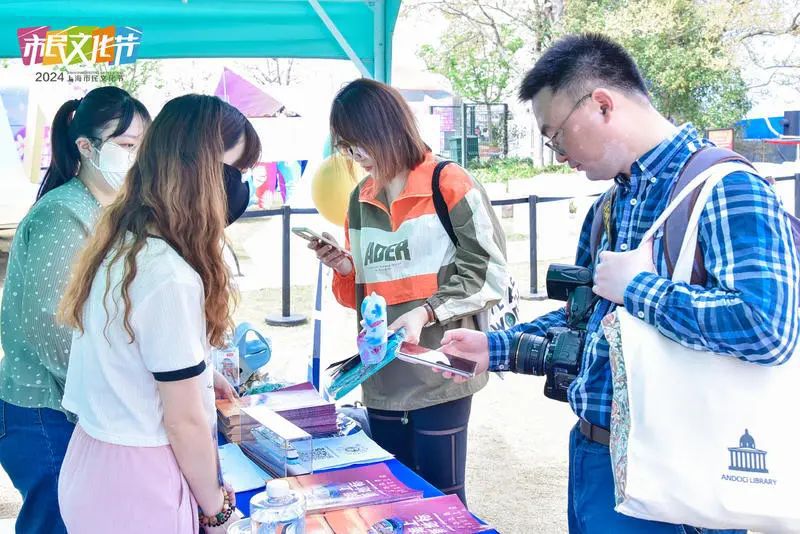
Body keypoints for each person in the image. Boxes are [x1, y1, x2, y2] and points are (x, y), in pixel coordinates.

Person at [439, 33, 798, 533]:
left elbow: (768, 327)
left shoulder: (728, 187)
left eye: (556, 134)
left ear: (602, 104)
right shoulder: (609, 206)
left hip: (682, 474)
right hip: (594, 453)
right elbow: (588, 322)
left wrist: (639, 289)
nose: (558, 153)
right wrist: (492, 348)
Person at [56, 94, 261, 533]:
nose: (241, 186)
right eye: (236, 170)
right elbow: (184, 421)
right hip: (139, 484)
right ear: (199, 171)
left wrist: (200, 375)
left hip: (93, 462)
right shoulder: (168, 273)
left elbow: (136, 365)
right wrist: (217, 510)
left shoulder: (122, 245)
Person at [308, 78, 509, 504]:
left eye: (359, 142)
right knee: (393, 503)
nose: (355, 156)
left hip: (439, 371)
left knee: (443, 501)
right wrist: (344, 265)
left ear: (389, 127)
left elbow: (487, 271)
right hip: (379, 374)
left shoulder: (449, 183)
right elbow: (358, 297)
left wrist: (426, 313)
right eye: (345, 147)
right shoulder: (359, 200)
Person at [0, 86, 150, 534]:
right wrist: (121, 388)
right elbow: (53, 328)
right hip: (45, 410)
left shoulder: (112, 211)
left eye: (143, 145)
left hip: (80, 405)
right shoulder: (62, 214)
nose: (136, 156)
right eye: (126, 146)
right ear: (85, 147)